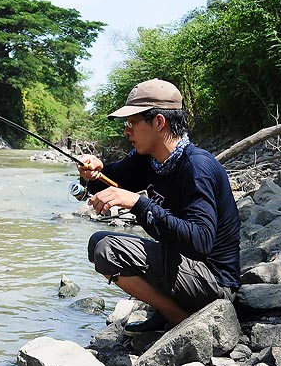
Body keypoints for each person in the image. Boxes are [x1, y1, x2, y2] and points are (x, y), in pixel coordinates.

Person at [77, 78, 240, 334]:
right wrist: (91, 173)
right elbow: (106, 183)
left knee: (109, 249)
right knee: (97, 243)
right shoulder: (148, 160)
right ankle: (167, 312)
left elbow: (200, 243)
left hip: (214, 282)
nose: (127, 130)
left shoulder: (197, 168)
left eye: (132, 122)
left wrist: (139, 203)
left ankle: (176, 317)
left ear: (159, 122)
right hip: (183, 269)